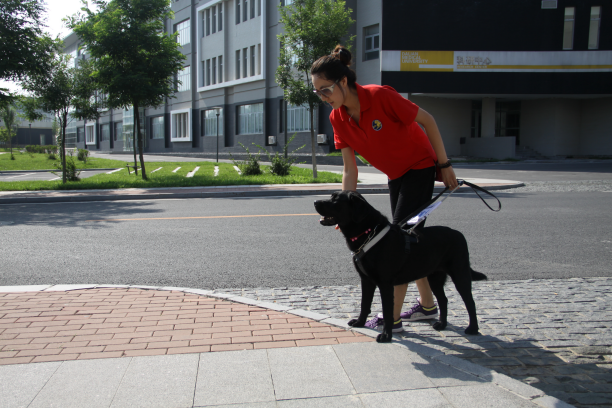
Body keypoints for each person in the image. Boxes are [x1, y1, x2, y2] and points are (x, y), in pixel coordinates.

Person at [311, 45, 459, 332]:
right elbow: (349, 169)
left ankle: (393, 317)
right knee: (410, 238)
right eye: (317, 92)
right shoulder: (337, 117)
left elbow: (427, 120)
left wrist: (445, 164)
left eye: (325, 90)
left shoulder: (380, 96)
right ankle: (428, 307)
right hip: (396, 174)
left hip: (419, 167)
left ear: (343, 82)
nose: (323, 98)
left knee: (400, 241)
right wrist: (344, 210)